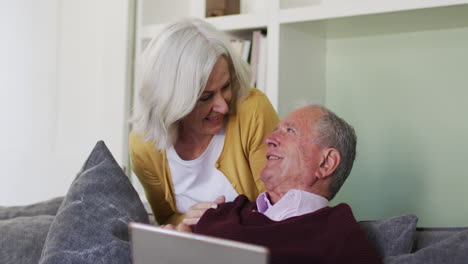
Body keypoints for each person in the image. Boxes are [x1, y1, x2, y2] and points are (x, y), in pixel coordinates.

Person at [163, 105, 382, 264]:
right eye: (276, 130)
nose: (269, 138)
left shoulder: (339, 234)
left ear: (326, 163)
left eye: (289, 131)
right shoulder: (226, 210)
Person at [129, 18, 279, 225]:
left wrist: (223, 221)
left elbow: (281, 209)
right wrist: (188, 220)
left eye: (225, 87)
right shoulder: (144, 144)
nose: (223, 107)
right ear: (170, 101)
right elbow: (167, 220)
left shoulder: (253, 111)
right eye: (205, 97)